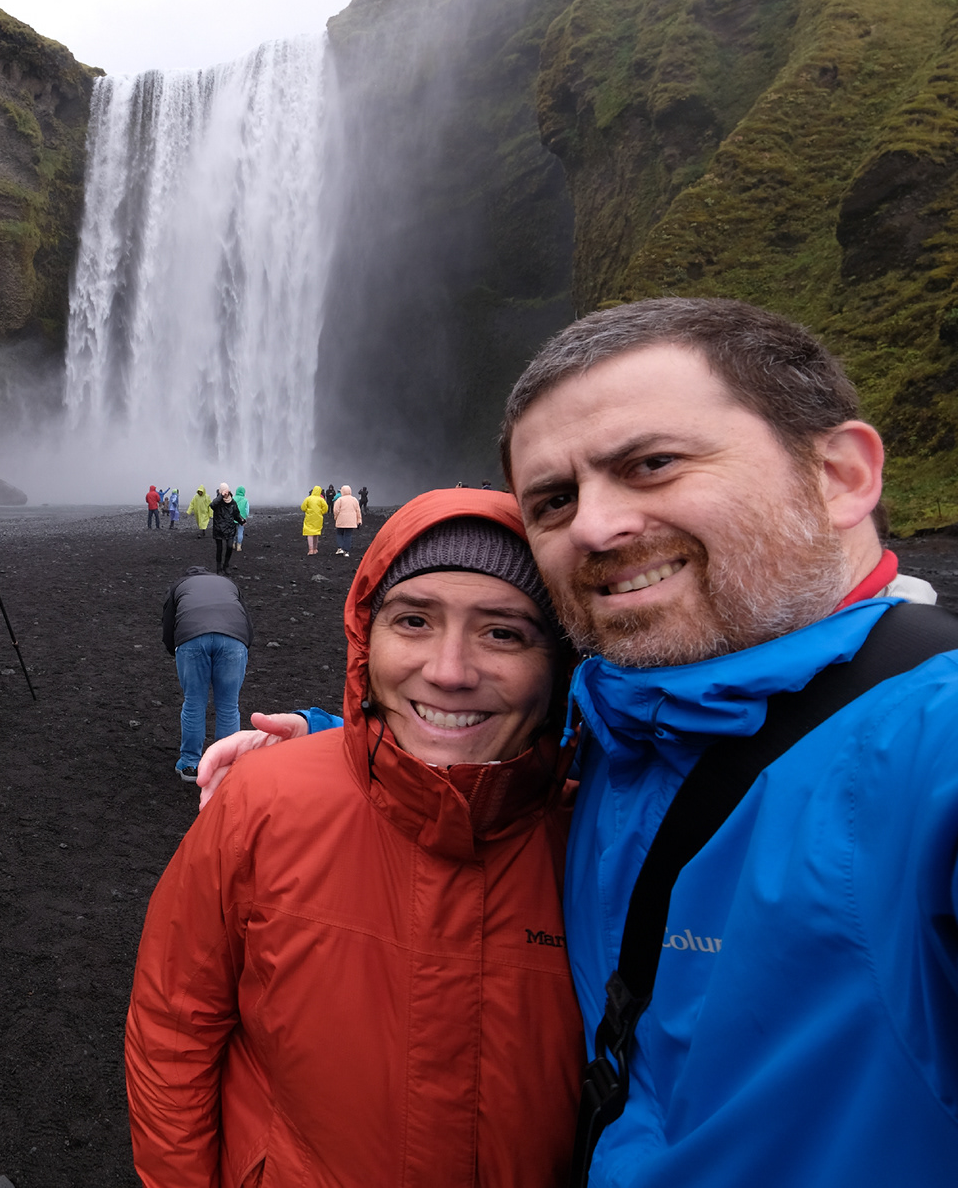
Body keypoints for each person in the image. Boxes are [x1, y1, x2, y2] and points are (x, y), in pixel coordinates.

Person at [498, 297, 958, 1184]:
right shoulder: (612, 727)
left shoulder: (931, 739)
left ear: (840, 474)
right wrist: (320, 758)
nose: (595, 525)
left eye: (652, 463)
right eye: (553, 500)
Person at [129, 489, 581, 1185]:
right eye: (413, 620)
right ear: (366, 638)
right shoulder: (262, 804)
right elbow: (172, 1027)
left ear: (562, 663)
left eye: (504, 632)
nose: (450, 669)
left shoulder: (607, 843)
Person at [159, 567, 252, 781]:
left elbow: (168, 624)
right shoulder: (229, 584)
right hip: (233, 638)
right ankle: (225, 764)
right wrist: (243, 647)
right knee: (229, 705)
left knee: (194, 702)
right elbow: (247, 621)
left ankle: (191, 764)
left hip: (191, 638)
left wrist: (173, 649)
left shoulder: (179, 586)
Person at [208, 482, 245, 573]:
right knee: (219, 549)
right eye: (224, 491)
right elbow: (212, 505)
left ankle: (226, 565)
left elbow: (236, 514)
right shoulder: (217, 501)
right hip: (219, 528)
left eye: (227, 491)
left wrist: (241, 521)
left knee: (229, 547)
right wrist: (221, 496)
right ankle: (218, 568)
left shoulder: (232, 502)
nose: (226, 493)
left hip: (229, 528)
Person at [332, 483, 362, 556]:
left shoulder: (340, 500)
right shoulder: (354, 499)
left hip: (341, 520)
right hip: (351, 521)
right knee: (348, 535)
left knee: (339, 534)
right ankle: (346, 551)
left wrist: (336, 517)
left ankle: (340, 548)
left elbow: (336, 510)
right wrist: (359, 520)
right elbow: (358, 511)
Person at [299, 484, 327, 555]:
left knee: (310, 534)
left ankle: (310, 550)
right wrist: (321, 512)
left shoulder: (308, 499)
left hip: (309, 518)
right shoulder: (321, 499)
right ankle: (315, 549)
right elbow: (325, 508)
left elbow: (303, 507)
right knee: (316, 534)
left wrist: (307, 511)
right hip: (318, 518)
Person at [232, 484, 250, 552]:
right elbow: (247, 510)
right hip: (242, 518)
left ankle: (233, 543)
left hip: (233, 517)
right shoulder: (245, 500)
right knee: (240, 532)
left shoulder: (233, 498)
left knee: (233, 531)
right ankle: (239, 546)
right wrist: (245, 517)